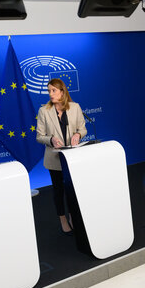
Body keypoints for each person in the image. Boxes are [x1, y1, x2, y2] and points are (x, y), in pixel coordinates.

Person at [35, 78, 87, 234]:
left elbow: (83, 129)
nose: (50, 94)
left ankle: (72, 216)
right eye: (49, 91)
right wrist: (50, 139)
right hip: (54, 158)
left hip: (72, 159)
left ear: (62, 91)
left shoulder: (75, 107)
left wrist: (78, 134)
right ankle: (62, 219)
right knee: (58, 191)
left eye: (53, 90)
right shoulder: (44, 110)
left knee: (71, 189)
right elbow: (39, 136)